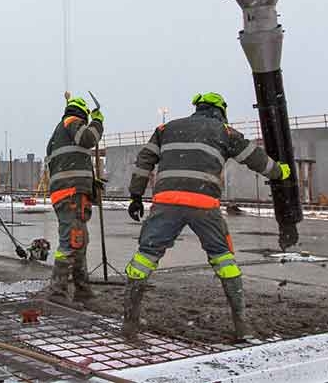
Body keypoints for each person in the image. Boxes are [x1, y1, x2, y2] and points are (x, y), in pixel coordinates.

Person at [123, 92, 291, 340]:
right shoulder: (225, 132)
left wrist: (136, 195)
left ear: (197, 108)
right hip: (203, 203)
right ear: (221, 110)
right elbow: (255, 159)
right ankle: (241, 325)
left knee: (144, 258)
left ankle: (130, 323)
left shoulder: (166, 128)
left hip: (166, 201)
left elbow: (144, 159)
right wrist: (280, 172)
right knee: (224, 260)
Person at [43, 97, 104, 308]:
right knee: (72, 242)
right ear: (82, 113)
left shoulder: (57, 135)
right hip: (71, 194)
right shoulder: (71, 122)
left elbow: (67, 163)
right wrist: (97, 122)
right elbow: (88, 138)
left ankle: (82, 291)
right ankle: (57, 292)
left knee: (79, 241)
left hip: (68, 193)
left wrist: (89, 182)